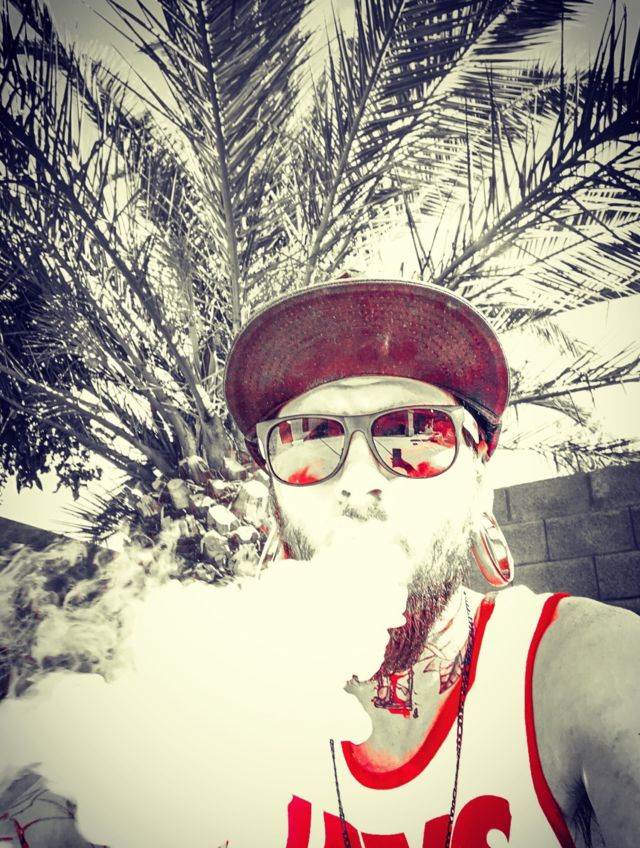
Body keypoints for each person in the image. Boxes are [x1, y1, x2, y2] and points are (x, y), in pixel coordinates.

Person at [223, 278, 640, 848]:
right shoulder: (228, 701)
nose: (358, 480)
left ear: (480, 484)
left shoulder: (592, 669)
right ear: (274, 497)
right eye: (308, 436)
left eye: (414, 431)